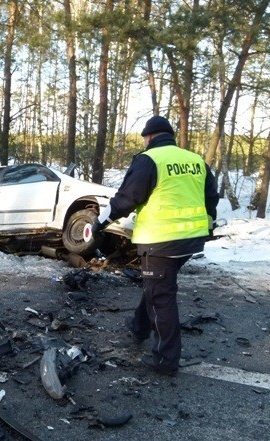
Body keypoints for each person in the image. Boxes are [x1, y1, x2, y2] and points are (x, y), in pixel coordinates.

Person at [91, 115, 219, 375]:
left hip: (160, 239)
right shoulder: (195, 160)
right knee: (158, 283)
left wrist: (100, 222)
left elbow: (128, 198)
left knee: (161, 295)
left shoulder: (149, 160)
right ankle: (139, 326)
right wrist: (207, 224)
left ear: (149, 137)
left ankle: (166, 359)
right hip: (191, 238)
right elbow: (211, 198)